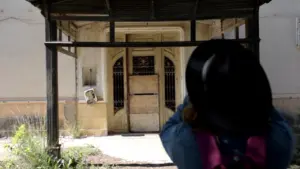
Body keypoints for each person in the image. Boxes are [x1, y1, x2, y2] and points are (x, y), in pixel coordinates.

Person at [160, 40, 295, 169]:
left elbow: (167, 130)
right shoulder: (278, 141)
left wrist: (195, 93)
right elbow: (271, 112)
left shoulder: (187, 142)